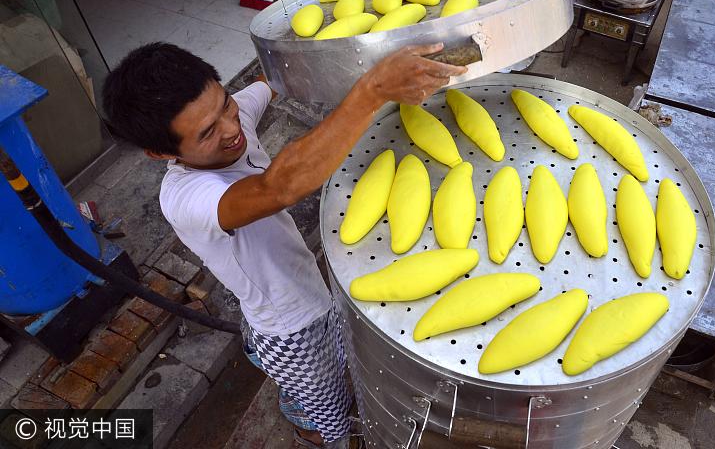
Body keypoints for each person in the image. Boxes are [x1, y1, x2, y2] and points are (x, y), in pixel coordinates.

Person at [102, 42, 465, 448]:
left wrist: (347, 47)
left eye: (225, 104)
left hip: (305, 290)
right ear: (161, 152)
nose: (230, 128)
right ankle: (315, 434)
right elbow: (278, 187)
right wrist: (373, 88)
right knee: (327, 402)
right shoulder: (186, 198)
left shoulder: (228, 120)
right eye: (206, 133)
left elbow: (273, 81)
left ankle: (289, 390)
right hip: (289, 328)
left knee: (329, 364)